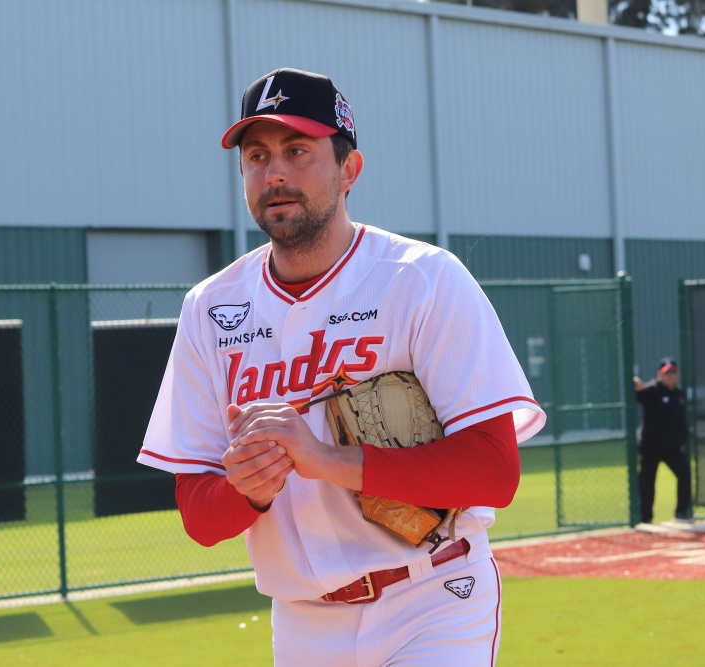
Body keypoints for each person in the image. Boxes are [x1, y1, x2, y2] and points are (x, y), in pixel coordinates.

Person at [137, 68, 546, 666]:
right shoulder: (211, 307)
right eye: (256, 156)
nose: (274, 173)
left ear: (349, 169)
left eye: (297, 150)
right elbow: (199, 515)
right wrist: (246, 491)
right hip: (304, 621)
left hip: (432, 596)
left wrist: (324, 459)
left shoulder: (422, 279)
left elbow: (493, 472)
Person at [633, 357, 692, 525]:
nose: (670, 376)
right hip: (650, 447)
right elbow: (638, 395)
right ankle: (645, 518)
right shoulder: (651, 391)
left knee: (685, 475)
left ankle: (681, 513)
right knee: (647, 483)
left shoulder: (679, 394)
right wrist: (636, 385)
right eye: (667, 373)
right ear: (660, 374)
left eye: (673, 372)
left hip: (672, 448)